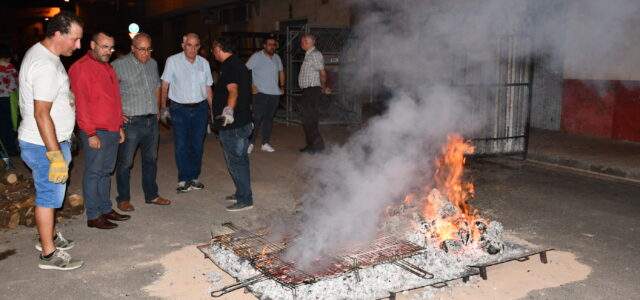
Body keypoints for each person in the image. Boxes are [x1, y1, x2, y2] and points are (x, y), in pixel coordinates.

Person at [17, 11, 84, 270]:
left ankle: (50, 236)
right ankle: (48, 254)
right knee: (48, 197)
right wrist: (55, 154)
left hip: (48, 141)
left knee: (51, 195)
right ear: (58, 34)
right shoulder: (45, 65)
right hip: (44, 145)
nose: (77, 45)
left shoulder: (45, 55)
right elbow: (41, 113)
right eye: (75, 39)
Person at [69, 31, 129, 229]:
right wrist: (90, 132)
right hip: (96, 130)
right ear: (93, 45)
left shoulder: (107, 67)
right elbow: (81, 104)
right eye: (104, 47)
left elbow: (113, 99)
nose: (109, 51)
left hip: (111, 128)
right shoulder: (82, 68)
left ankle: (105, 208)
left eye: (111, 48)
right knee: (94, 172)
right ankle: (93, 215)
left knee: (105, 172)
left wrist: (118, 125)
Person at [112, 33, 171, 211]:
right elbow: (109, 91)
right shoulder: (119, 65)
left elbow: (157, 86)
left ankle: (151, 195)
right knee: (126, 161)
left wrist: (160, 109)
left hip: (151, 120)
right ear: (132, 48)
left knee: (151, 159)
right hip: (131, 121)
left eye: (149, 49)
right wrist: (115, 114)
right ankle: (123, 198)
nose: (146, 53)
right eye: (142, 49)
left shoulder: (152, 64)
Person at [161, 33, 213, 193]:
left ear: (199, 47)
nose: (193, 48)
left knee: (197, 145)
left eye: (196, 45)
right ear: (183, 46)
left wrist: (213, 110)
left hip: (200, 109)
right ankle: (183, 179)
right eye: (189, 45)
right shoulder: (173, 61)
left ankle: (194, 178)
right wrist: (163, 108)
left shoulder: (204, 63)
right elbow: (164, 86)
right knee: (182, 145)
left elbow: (208, 88)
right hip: (179, 109)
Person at [211, 37, 254, 212]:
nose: (213, 52)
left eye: (214, 49)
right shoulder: (239, 64)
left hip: (233, 125)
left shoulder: (229, 65)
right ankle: (241, 192)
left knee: (236, 162)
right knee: (240, 160)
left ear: (219, 48)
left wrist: (228, 111)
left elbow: (233, 91)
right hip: (243, 121)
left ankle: (245, 199)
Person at [245, 36, 284, 154]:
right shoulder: (257, 57)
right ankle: (250, 143)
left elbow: (281, 72)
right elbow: (244, 70)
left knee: (269, 119)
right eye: (269, 44)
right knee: (256, 119)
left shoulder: (277, 58)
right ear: (264, 46)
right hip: (260, 93)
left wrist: (282, 86)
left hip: (274, 94)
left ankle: (265, 143)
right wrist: (251, 85)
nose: (272, 46)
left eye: (274, 45)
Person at [298, 33, 331, 153]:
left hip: (312, 91)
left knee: (310, 119)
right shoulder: (309, 55)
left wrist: (322, 86)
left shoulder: (315, 55)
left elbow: (322, 73)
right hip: (308, 90)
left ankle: (318, 146)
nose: (301, 44)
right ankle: (311, 145)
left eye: (302, 42)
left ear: (307, 42)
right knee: (307, 119)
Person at [0, 44, 19, 156]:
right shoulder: (9, 66)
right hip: (7, 99)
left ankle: (3, 151)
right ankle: (11, 148)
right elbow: (15, 84)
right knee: (10, 124)